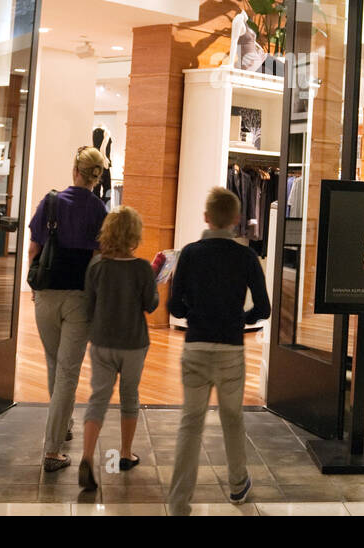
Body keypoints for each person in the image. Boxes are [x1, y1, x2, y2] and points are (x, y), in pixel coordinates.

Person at [166, 187, 271, 516]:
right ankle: (238, 484)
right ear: (237, 220)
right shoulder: (246, 257)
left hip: (195, 345)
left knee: (190, 423)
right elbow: (264, 308)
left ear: (206, 218)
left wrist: (193, 311)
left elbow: (174, 307)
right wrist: (241, 319)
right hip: (230, 348)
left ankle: (179, 501)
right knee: (232, 419)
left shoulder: (190, 253)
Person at [30, 146, 108, 472]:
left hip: (46, 294)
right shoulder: (100, 210)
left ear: (75, 169)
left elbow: (35, 247)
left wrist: (34, 286)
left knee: (54, 364)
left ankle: (61, 428)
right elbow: (99, 257)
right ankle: (52, 449)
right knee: (67, 373)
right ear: (96, 176)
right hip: (79, 298)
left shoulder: (50, 202)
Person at [78, 205, 158, 490]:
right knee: (129, 395)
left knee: (97, 398)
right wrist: (157, 280)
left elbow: (88, 308)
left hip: (101, 341)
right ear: (135, 235)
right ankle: (125, 453)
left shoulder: (96, 266)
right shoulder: (142, 269)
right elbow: (150, 304)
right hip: (134, 343)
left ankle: (87, 455)